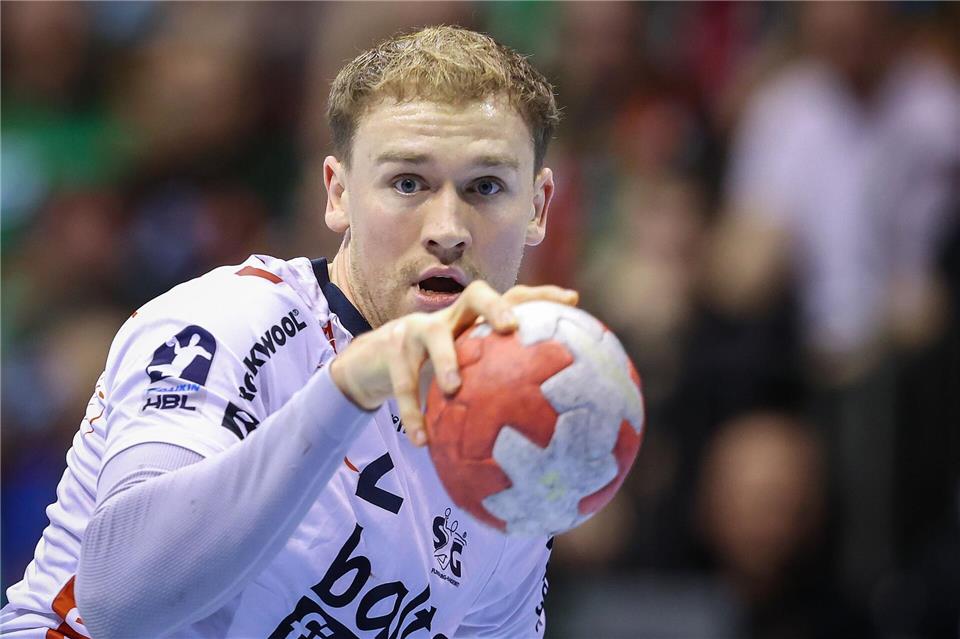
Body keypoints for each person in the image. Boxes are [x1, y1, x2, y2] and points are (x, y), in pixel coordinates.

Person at [1, 26, 576, 639]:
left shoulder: (508, 451)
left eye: (485, 187)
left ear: (538, 207)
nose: (448, 229)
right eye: (408, 183)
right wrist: (347, 390)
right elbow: (121, 600)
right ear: (338, 194)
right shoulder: (228, 321)